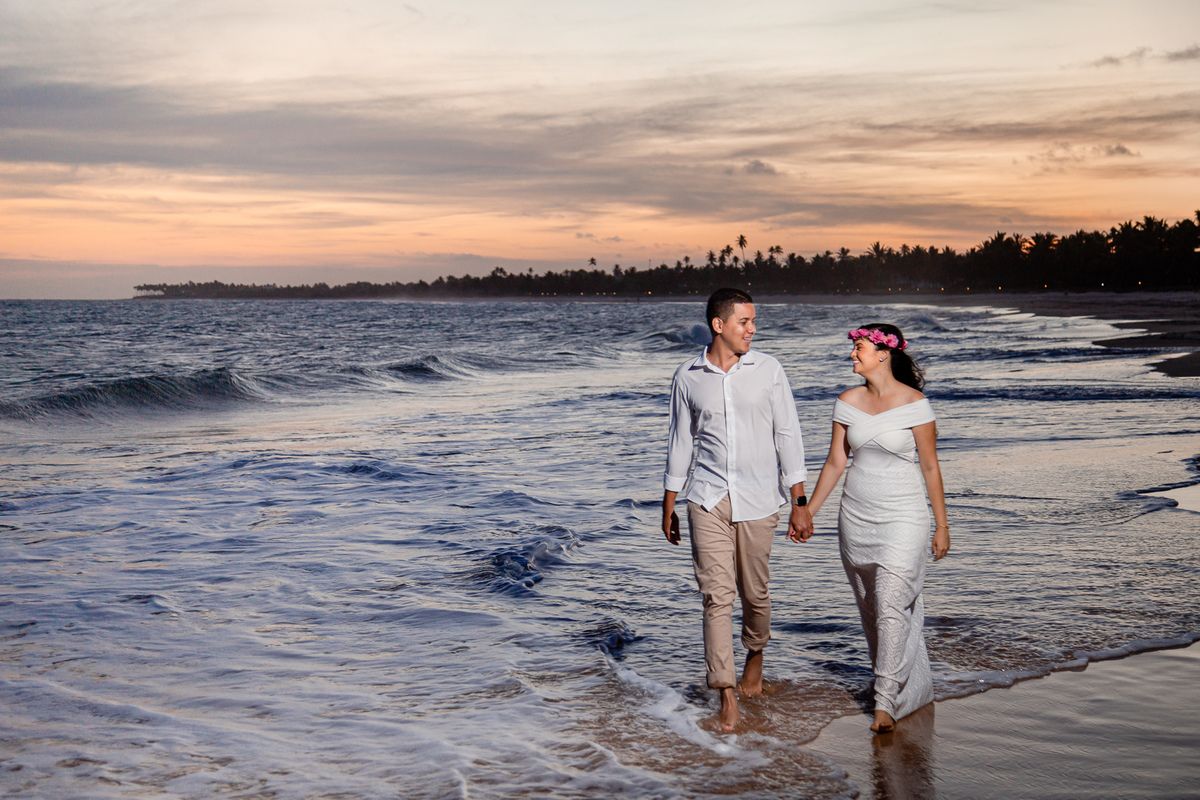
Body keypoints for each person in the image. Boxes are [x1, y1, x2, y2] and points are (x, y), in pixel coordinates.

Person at [662, 287, 814, 732]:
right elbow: (680, 443)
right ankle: (725, 694)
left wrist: (799, 503)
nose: (753, 329)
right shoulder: (687, 375)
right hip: (706, 498)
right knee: (716, 596)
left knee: (755, 594)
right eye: (745, 321)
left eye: (753, 321)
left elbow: (788, 435)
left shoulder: (768, 370)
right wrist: (669, 504)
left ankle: (756, 654)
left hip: (760, 499)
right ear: (719, 325)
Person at [800, 323, 949, 734]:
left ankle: (884, 703)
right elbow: (835, 463)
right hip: (856, 518)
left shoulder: (916, 404)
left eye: (859, 347)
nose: (852, 354)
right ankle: (907, 687)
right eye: (853, 348)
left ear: (883, 353)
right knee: (873, 612)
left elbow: (931, 466)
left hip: (905, 516)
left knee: (889, 602)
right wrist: (808, 511)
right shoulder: (847, 402)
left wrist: (942, 524)